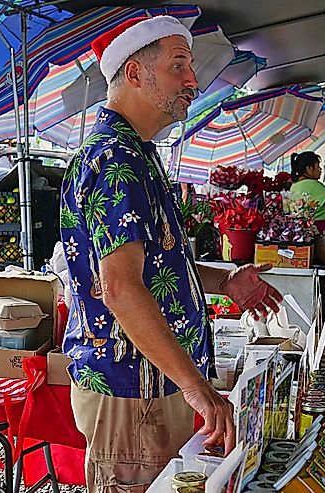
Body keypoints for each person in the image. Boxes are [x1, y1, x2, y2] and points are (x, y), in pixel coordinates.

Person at [59, 16, 284, 491]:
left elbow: (158, 267)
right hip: (134, 390)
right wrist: (197, 387)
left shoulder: (136, 153)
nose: (193, 80)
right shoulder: (116, 159)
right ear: (135, 74)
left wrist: (224, 281)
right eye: (178, 65)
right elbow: (121, 288)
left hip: (153, 385)